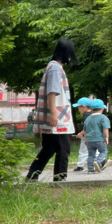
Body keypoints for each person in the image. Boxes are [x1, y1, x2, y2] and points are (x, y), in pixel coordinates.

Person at [26, 39, 77, 181]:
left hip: (53, 114)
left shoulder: (53, 67)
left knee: (49, 148)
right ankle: (60, 178)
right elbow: (52, 92)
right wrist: (54, 114)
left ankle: (32, 175)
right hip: (57, 116)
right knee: (63, 147)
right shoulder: (55, 68)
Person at [84, 98, 110, 173]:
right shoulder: (103, 118)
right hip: (99, 139)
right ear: (102, 108)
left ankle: (90, 169)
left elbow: (85, 130)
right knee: (104, 151)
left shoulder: (88, 118)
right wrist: (107, 137)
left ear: (91, 109)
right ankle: (98, 162)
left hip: (89, 140)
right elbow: (105, 128)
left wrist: (85, 139)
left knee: (91, 155)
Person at [71, 98, 93, 172]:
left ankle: (80, 166)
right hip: (94, 136)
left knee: (83, 151)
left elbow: (87, 127)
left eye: (79, 108)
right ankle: (101, 160)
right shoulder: (92, 114)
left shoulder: (86, 115)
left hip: (87, 136)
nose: (78, 110)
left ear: (84, 107)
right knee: (93, 150)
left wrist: (81, 133)